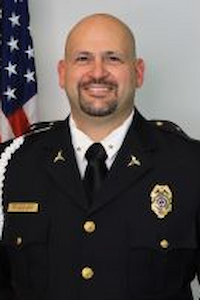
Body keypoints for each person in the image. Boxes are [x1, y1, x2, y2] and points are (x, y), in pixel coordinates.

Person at [0, 13, 200, 300]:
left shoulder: (190, 165)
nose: (97, 72)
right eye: (83, 58)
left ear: (138, 72)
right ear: (62, 72)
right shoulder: (12, 165)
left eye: (113, 58)